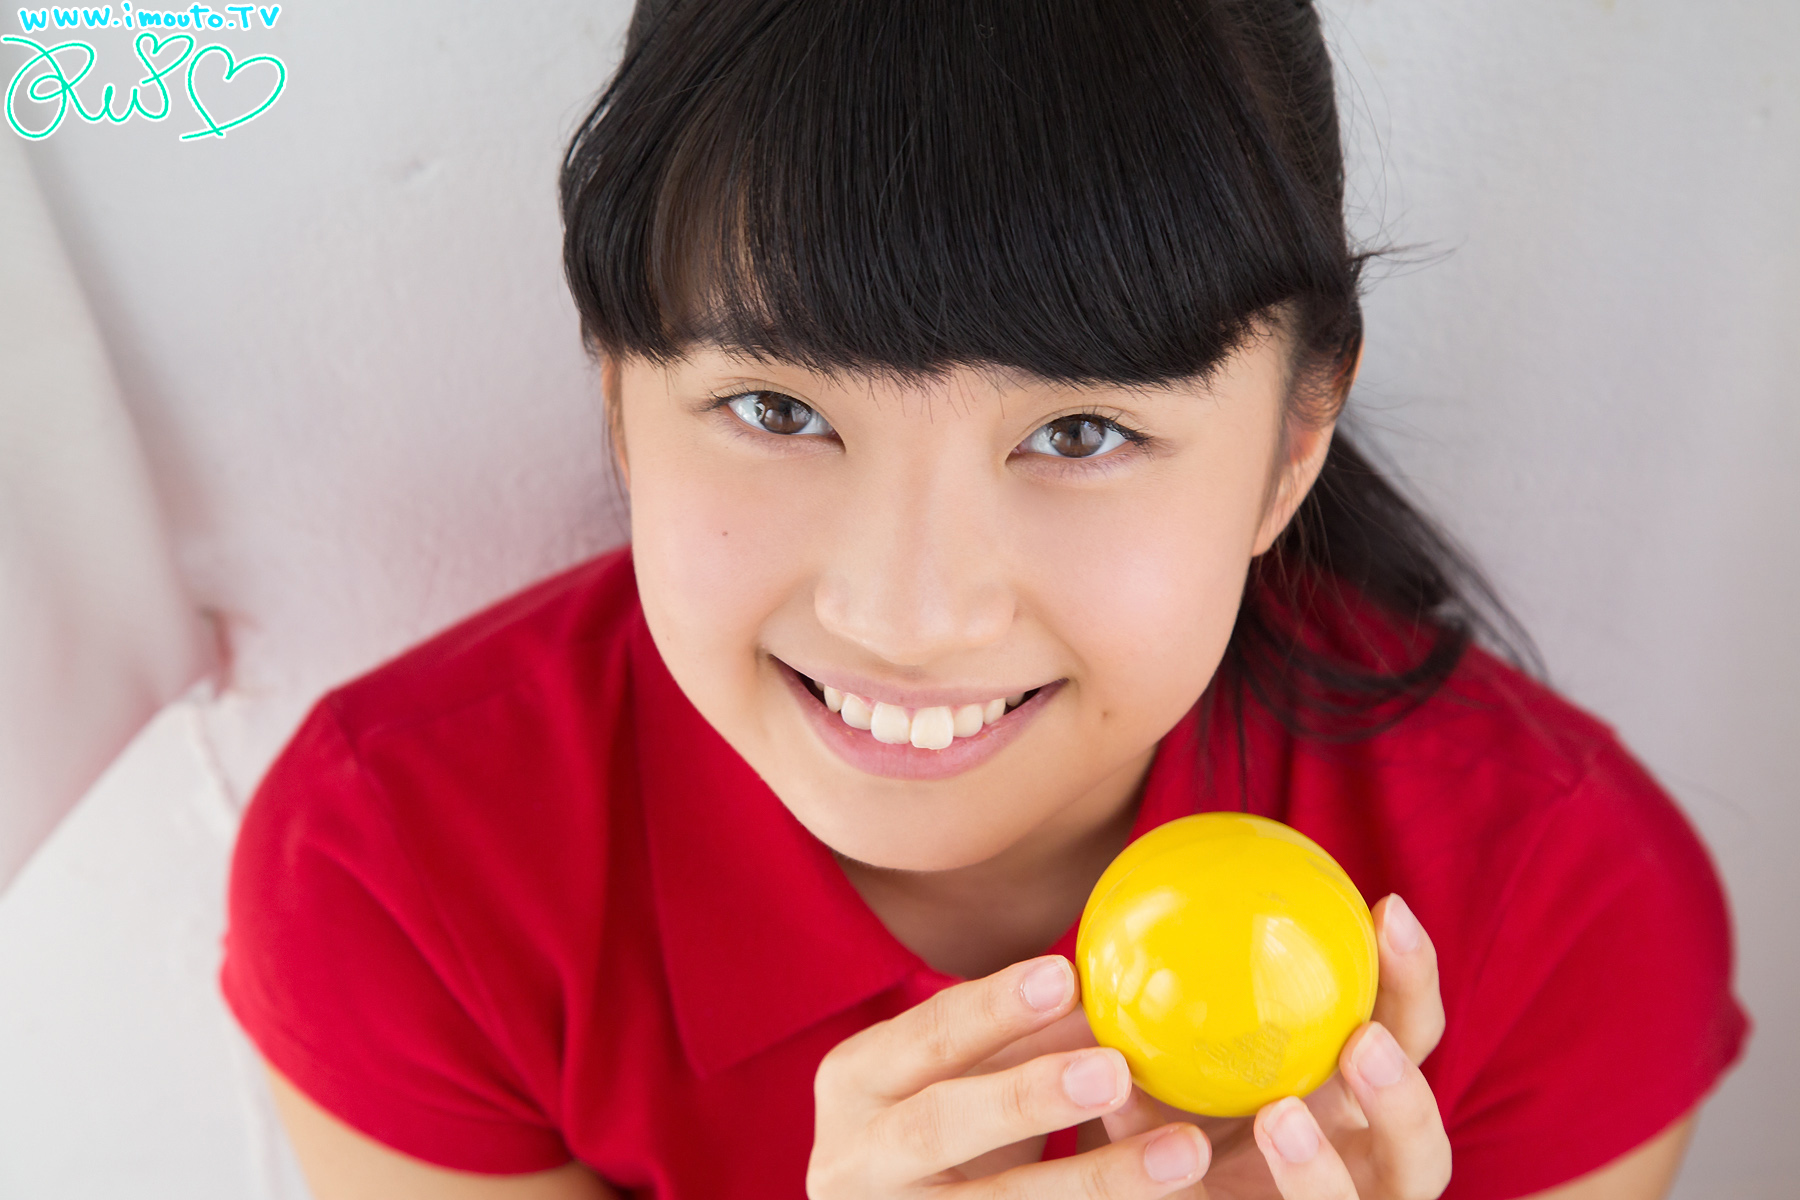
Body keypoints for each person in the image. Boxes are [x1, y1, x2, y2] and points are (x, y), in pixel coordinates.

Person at [219, 2, 1750, 1197]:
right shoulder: (403, 875)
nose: (910, 613)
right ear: (617, 393)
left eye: (1079, 434)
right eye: (776, 409)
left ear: (1294, 443)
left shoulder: (1564, 920)